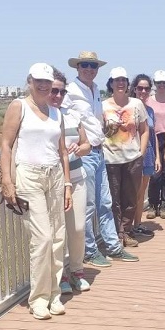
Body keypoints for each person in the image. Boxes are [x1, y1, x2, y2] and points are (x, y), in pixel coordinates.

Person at [0, 63, 72, 320]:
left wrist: (66, 185)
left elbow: (62, 151)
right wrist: (7, 181)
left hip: (54, 175)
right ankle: (38, 298)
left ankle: (54, 294)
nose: (43, 86)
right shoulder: (18, 106)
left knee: (58, 236)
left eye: (47, 81)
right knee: (41, 238)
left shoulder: (56, 113)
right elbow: (7, 145)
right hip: (28, 175)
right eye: (38, 81)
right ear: (29, 81)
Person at [62, 51, 138, 266]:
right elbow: (62, 117)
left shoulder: (95, 89)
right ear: (77, 67)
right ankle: (89, 250)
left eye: (93, 66)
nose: (89, 69)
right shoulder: (70, 90)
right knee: (87, 206)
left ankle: (114, 247)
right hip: (83, 155)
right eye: (85, 65)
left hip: (98, 151)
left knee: (105, 202)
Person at [47, 68, 92, 295]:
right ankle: (61, 274)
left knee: (77, 228)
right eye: (53, 91)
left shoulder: (72, 115)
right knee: (58, 231)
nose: (57, 96)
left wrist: (79, 148)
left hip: (75, 178)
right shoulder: (41, 116)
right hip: (52, 182)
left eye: (61, 92)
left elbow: (87, 145)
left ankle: (77, 271)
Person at [102, 67, 149, 246]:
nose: (120, 83)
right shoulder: (104, 105)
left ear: (128, 83)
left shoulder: (136, 104)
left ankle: (127, 231)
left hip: (132, 158)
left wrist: (141, 153)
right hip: (110, 159)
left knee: (130, 198)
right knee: (113, 199)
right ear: (111, 83)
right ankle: (116, 234)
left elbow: (145, 130)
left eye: (123, 80)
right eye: (116, 80)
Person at [130, 73, 161, 236]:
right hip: (131, 153)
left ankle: (137, 224)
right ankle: (125, 226)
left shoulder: (149, 110)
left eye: (147, 88)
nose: (143, 91)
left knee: (142, 192)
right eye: (140, 88)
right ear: (134, 89)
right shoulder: (128, 106)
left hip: (148, 152)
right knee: (130, 192)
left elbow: (152, 133)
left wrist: (157, 157)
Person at [146, 70, 165, 220]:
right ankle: (153, 204)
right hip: (153, 138)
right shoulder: (148, 100)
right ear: (155, 84)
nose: (162, 85)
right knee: (155, 174)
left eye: (164, 83)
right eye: (159, 83)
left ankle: (164, 204)